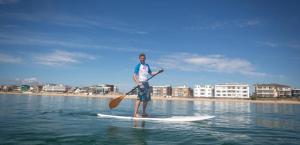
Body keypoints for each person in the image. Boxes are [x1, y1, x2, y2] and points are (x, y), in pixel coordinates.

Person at [133, 53, 159, 117]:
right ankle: (135, 113)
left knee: (146, 99)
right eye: (141, 58)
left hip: (146, 83)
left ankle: (143, 113)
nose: (142, 59)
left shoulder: (147, 65)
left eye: (143, 58)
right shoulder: (138, 66)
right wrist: (138, 83)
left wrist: (158, 72)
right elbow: (134, 76)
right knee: (139, 99)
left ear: (145, 58)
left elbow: (151, 73)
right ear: (139, 59)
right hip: (141, 83)